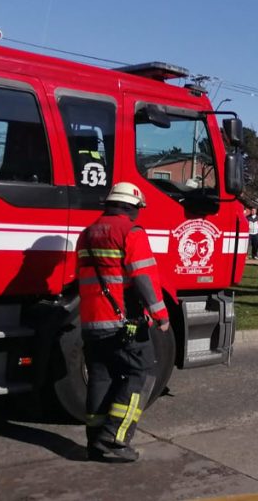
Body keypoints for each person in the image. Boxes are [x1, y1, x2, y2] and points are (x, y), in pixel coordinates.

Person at [77, 182, 170, 463]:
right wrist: (160, 315)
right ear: (132, 207)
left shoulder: (87, 233)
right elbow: (143, 277)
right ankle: (114, 438)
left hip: (91, 321)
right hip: (122, 323)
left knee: (100, 378)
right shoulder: (131, 232)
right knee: (140, 375)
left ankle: (94, 441)